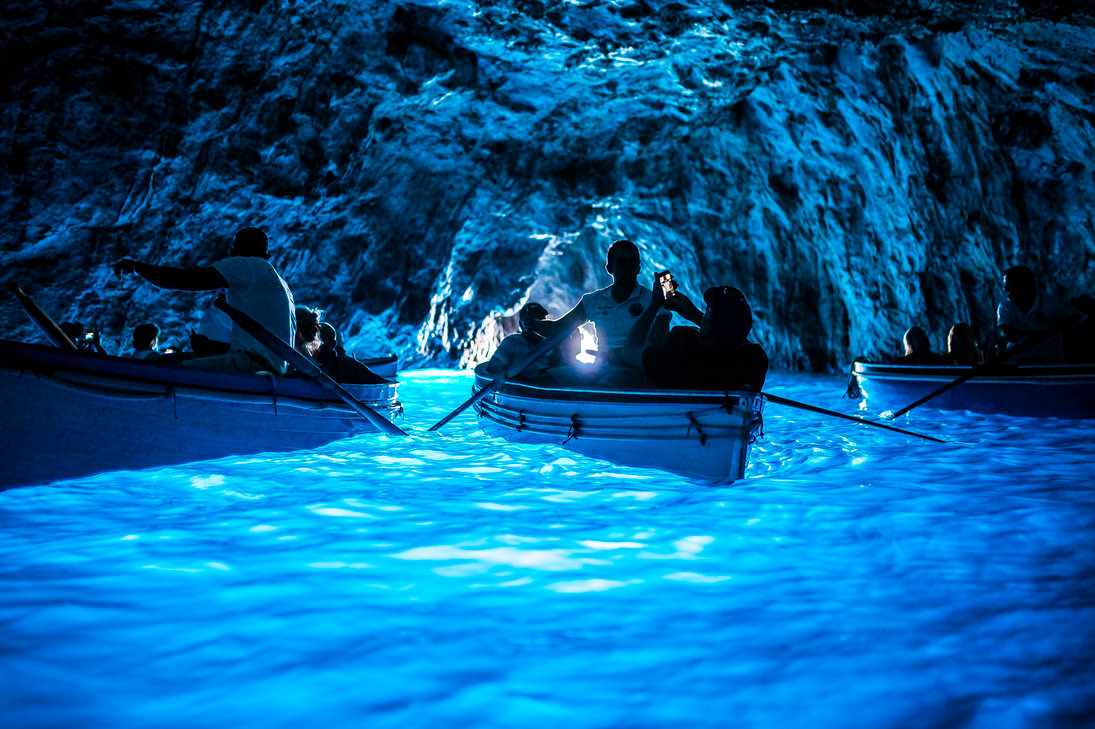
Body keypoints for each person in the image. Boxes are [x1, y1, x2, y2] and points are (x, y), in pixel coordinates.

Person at [113, 227, 296, 374]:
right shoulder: (283, 286)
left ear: (235, 250)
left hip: (251, 368)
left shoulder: (246, 265)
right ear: (267, 255)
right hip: (269, 369)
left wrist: (136, 267)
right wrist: (210, 347)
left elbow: (181, 280)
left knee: (159, 368)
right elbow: (262, 351)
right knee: (171, 360)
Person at [533, 239, 670, 373]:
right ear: (609, 268)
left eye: (633, 263)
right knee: (551, 376)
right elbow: (559, 328)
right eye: (622, 262)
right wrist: (531, 323)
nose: (628, 268)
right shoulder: (593, 300)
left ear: (638, 268)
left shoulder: (654, 301)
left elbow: (654, 344)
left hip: (636, 370)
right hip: (602, 368)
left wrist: (613, 355)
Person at [623, 276, 768, 392]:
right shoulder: (756, 359)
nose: (703, 316)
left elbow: (630, 352)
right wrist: (694, 314)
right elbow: (736, 338)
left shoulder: (682, 360)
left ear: (707, 328)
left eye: (706, 313)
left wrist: (654, 305)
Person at [995, 265, 1091, 363]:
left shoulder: (1053, 303)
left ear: (1025, 285)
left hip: (1050, 362)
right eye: (1005, 285)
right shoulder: (1005, 306)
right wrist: (1028, 335)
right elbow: (1002, 332)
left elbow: (1082, 322)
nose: (1005, 289)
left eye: (1009, 285)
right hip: (1016, 361)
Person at [483, 302, 557, 380]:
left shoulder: (550, 344)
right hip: (520, 389)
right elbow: (493, 371)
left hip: (544, 388)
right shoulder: (511, 342)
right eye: (538, 320)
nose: (542, 324)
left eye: (542, 319)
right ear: (524, 324)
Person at [313, 322, 387, 384]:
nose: (316, 347)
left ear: (333, 344)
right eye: (313, 343)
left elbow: (381, 383)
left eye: (320, 343)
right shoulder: (305, 364)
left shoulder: (348, 365)